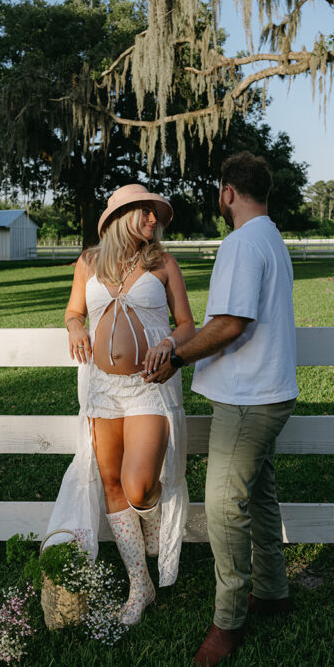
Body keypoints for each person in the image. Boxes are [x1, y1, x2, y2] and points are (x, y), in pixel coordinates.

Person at [145, 151, 298, 667]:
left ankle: (227, 622)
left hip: (249, 398)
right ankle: (273, 590)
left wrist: (175, 356)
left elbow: (231, 323)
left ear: (228, 192)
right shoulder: (272, 238)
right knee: (260, 493)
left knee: (225, 507)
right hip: (270, 391)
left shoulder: (241, 242)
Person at [44, 183, 195, 624]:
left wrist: (168, 342)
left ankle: (151, 537)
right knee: (111, 482)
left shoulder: (163, 263)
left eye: (155, 215)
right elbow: (74, 312)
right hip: (102, 390)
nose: (154, 221)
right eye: (145, 213)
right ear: (119, 217)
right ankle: (139, 585)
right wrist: (74, 327)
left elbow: (187, 324)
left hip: (149, 386)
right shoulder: (89, 262)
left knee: (138, 483)